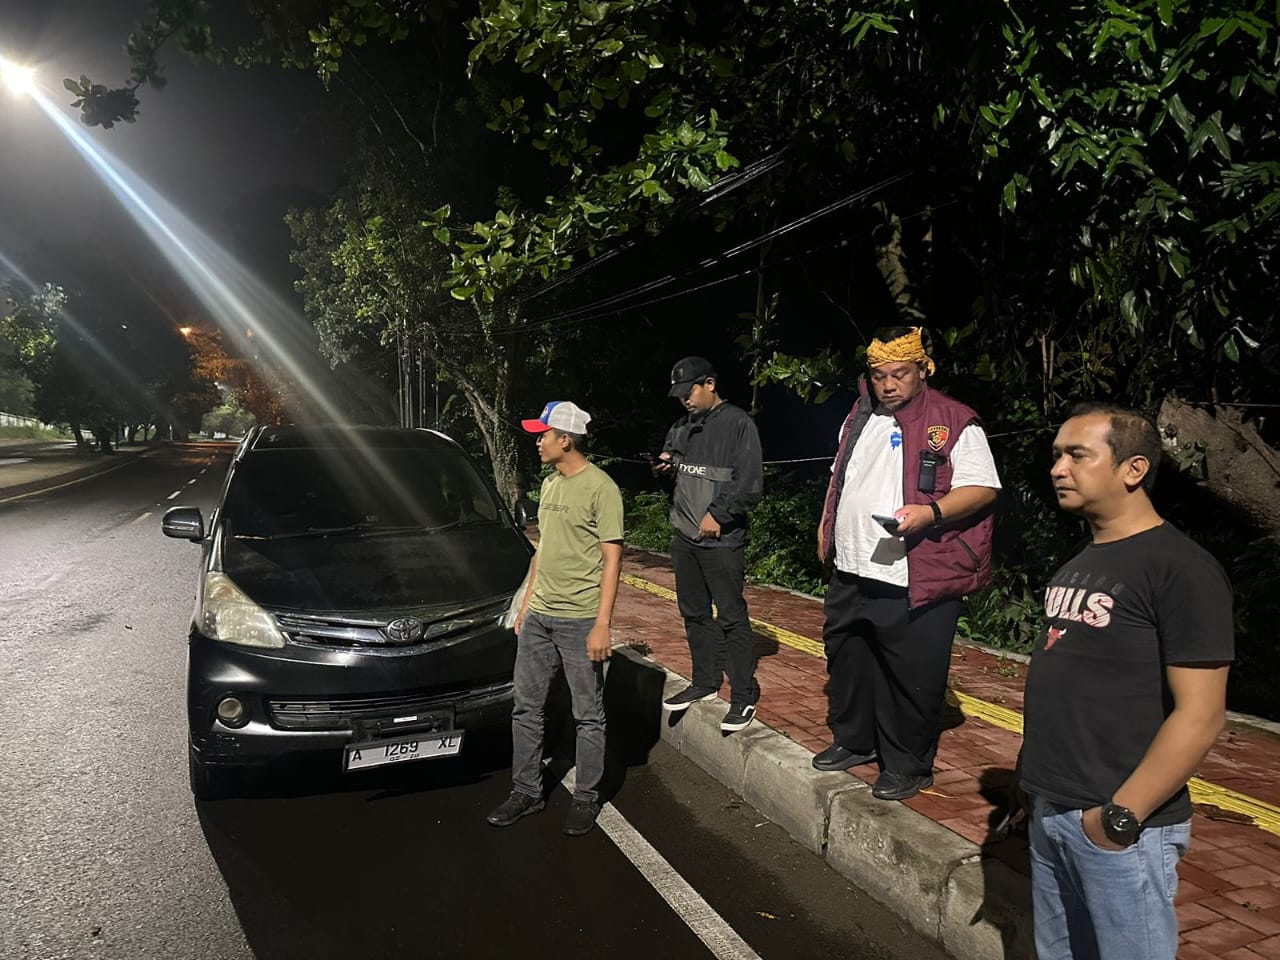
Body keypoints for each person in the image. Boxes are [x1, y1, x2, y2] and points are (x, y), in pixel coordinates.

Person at [1016, 402, 1233, 960]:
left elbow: (1201, 713)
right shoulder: (1080, 563)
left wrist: (1119, 817)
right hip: (1052, 810)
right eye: (1056, 455)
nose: (1058, 468)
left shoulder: (1180, 568)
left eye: (1077, 455)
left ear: (1133, 469)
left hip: (1118, 826)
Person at [813, 326, 1000, 801]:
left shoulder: (954, 420)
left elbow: (982, 488)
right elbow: (840, 477)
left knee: (910, 676)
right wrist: (826, 527)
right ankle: (855, 741)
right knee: (849, 660)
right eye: (880, 376)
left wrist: (930, 513)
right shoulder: (859, 416)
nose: (889, 385)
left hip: (914, 573)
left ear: (923, 370)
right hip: (852, 567)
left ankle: (906, 765)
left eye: (899, 374)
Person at [486, 401, 624, 837]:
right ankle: (526, 791)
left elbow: (612, 559)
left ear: (565, 439)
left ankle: (586, 797)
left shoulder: (602, 488)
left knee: (588, 714)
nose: (538, 442)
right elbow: (542, 550)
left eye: (543, 435)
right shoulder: (549, 485)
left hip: (580, 620)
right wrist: (526, 604)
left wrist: (602, 624)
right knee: (526, 707)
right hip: (540, 618)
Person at [654, 356, 764, 732]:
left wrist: (719, 514)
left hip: (722, 541)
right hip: (684, 538)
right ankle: (704, 681)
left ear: (710, 384)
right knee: (694, 614)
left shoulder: (738, 423)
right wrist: (663, 467)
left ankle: (744, 695)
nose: (684, 399)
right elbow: (676, 476)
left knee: (731, 617)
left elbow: (750, 484)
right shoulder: (681, 427)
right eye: (679, 395)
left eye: (690, 391)